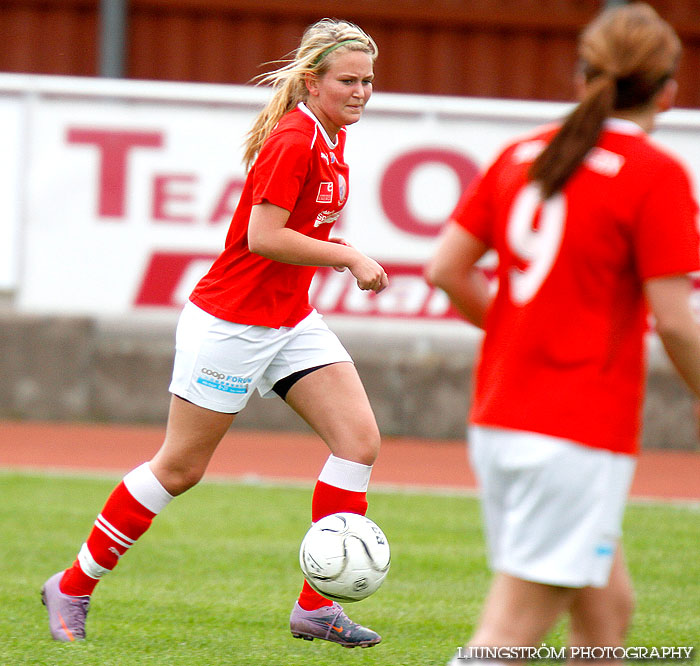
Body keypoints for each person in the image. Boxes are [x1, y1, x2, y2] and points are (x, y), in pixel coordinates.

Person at [41, 18, 389, 649]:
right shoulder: (295, 140)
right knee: (179, 468)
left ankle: (316, 606)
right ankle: (72, 584)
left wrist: (334, 259)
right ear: (312, 82)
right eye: (348, 80)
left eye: (368, 81)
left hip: (288, 321)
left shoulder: (332, 139)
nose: (361, 91)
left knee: (359, 442)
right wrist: (348, 256)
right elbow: (263, 237)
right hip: (230, 324)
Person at [425, 4, 700, 664]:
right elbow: (675, 322)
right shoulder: (653, 175)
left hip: (502, 416)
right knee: (508, 637)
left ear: (582, 77)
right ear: (668, 89)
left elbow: (446, 269)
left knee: (607, 614)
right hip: (575, 431)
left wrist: (523, 334)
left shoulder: (522, 154)